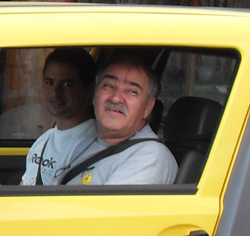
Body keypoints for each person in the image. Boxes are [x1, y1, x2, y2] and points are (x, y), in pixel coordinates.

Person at [0, 47, 97, 186]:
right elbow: (24, 198)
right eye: (49, 82)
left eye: (67, 84)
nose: (55, 91)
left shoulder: (94, 146)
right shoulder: (44, 141)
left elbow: (60, 207)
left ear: (89, 90)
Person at [59, 52, 177, 186]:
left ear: (148, 107)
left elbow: (106, 207)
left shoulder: (150, 157)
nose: (116, 98)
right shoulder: (85, 138)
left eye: (132, 91)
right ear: (94, 95)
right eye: (108, 86)